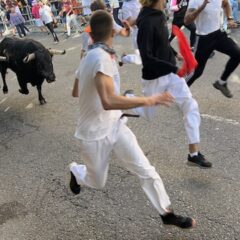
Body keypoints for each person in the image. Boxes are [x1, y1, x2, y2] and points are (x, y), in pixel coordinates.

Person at [69, 9, 196, 229]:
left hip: (116, 125)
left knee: (145, 169)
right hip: (93, 134)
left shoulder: (92, 53)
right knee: (97, 182)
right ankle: (76, 171)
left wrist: (98, 94)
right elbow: (108, 100)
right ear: (112, 30)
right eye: (118, 26)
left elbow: (76, 91)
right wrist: (148, 100)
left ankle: (166, 213)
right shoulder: (100, 58)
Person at [126, 0, 212, 168]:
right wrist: (174, 66)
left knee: (190, 105)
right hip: (154, 76)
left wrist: (174, 54)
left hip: (170, 72)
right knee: (148, 115)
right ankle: (127, 99)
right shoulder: (147, 21)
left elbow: (162, 41)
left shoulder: (158, 14)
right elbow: (147, 57)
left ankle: (193, 154)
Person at [184, 0, 240, 98]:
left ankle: (221, 82)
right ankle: (181, 90)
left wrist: (230, 18)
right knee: (197, 72)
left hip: (218, 34)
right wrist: (201, 8)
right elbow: (187, 20)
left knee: (237, 54)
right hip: (203, 38)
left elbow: (226, 4)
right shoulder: (194, 1)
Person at [118, 0, 142, 66]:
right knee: (141, 59)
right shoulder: (126, 5)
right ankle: (124, 59)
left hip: (148, 29)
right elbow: (129, 23)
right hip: (138, 32)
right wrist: (142, 17)